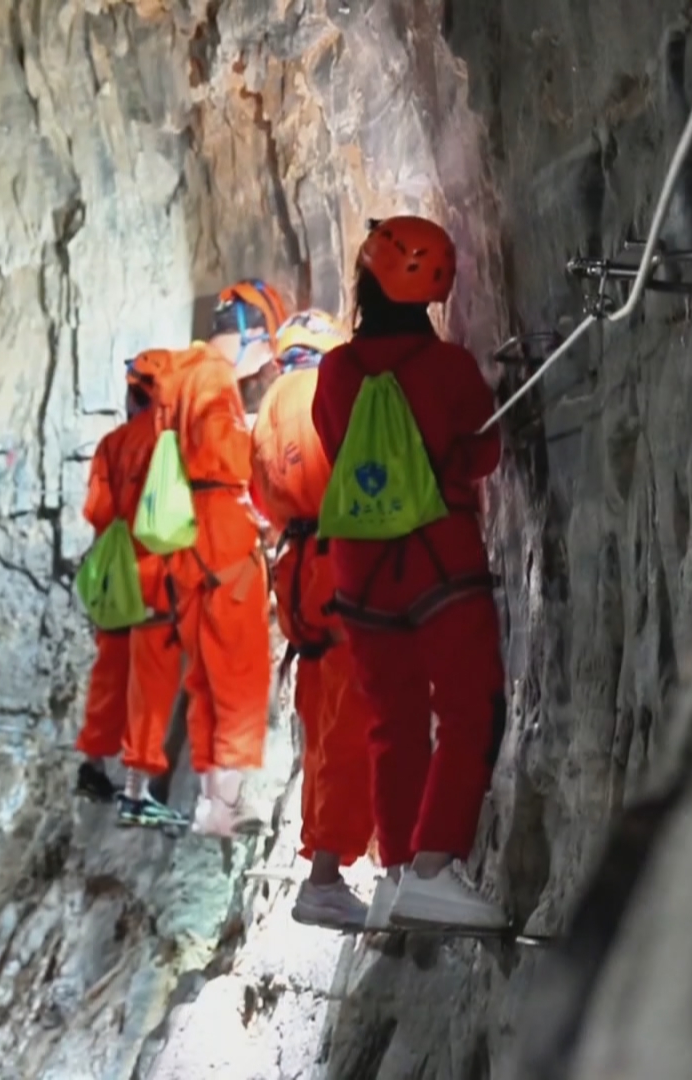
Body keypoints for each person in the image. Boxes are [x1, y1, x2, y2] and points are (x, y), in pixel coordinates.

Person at [313, 217, 509, 931]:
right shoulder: (450, 369)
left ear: (366, 277)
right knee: (468, 708)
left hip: (360, 574)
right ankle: (435, 864)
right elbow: (481, 455)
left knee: (391, 722)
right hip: (439, 564)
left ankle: (396, 874)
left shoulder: (334, 372)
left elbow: (336, 448)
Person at [127, 279, 286, 837]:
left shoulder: (178, 372)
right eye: (266, 346)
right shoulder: (215, 380)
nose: (266, 360)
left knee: (204, 676)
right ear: (246, 333)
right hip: (221, 536)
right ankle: (227, 803)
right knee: (240, 672)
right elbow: (225, 457)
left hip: (183, 545)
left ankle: (210, 803)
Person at [249, 310, 378, 929]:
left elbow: (260, 495)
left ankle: (326, 863)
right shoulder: (328, 391)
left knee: (323, 727)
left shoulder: (271, 402)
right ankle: (329, 874)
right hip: (340, 563)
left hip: (298, 573)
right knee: (354, 725)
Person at [73, 380, 189, 830]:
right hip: (154, 578)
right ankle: (137, 794)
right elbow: (175, 519)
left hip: (114, 575)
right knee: (152, 684)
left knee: (109, 673)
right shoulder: (167, 442)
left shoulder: (111, 443)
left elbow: (98, 511)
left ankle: (94, 767)